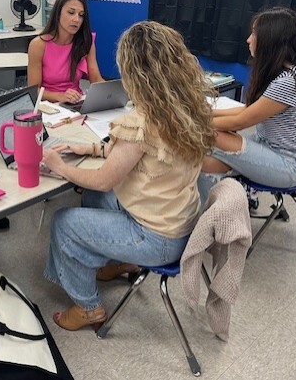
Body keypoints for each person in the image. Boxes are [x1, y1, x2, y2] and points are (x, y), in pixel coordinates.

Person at [41, 21, 216, 332]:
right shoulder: (186, 107)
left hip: (158, 238)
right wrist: (92, 149)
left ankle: (88, 307)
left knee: (63, 223)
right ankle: (121, 262)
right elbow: (139, 155)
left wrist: (59, 165)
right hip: (179, 221)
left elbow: (105, 179)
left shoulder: (143, 120)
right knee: (96, 199)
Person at [198, 6, 296, 204]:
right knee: (201, 162)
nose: (248, 39)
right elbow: (248, 110)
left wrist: (193, 122)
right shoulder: (283, 72)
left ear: (270, 41)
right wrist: (202, 113)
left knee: (209, 137)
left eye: (254, 34)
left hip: (288, 164)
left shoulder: (289, 81)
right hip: (269, 149)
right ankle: (210, 217)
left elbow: (241, 122)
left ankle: (211, 217)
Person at [27, 0, 104, 104]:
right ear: (58, 14)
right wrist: (60, 96)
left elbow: (96, 79)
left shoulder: (86, 41)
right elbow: (33, 91)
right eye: (71, 12)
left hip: (76, 102)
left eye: (81, 15)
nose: (76, 19)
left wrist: (116, 92)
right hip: (48, 105)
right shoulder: (38, 45)